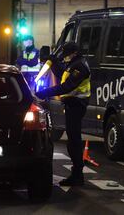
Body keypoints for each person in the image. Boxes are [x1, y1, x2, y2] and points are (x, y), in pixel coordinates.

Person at [35, 42, 91, 186]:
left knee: (74, 141)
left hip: (77, 104)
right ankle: (77, 174)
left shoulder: (80, 66)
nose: (64, 58)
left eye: (66, 55)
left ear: (73, 53)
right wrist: (53, 63)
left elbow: (67, 86)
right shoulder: (74, 63)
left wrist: (44, 92)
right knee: (72, 140)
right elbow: (63, 74)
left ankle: (77, 175)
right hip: (72, 104)